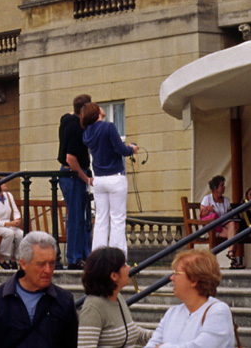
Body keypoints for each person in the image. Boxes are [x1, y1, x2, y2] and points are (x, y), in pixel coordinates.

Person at [0, 231, 78, 348]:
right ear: (23, 264)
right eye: (41, 264)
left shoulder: (64, 300)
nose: (48, 270)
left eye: (51, 263)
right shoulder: (1, 297)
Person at [145, 250, 235, 348]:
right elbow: (151, 344)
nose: (172, 278)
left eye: (177, 273)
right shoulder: (172, 313)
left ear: (194, 280)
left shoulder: (218, 311)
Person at [81, 102, 138, 253]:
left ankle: (97, 255)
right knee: (117, 220)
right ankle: (117, 257)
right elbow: (121, 150)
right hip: (115, 178)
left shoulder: (87, 133)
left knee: (101, 219)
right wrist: (132, 149)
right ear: (96, 112)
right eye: (99, 106)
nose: (101, 108)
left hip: (99, 179)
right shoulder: (109, 127)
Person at [77, 246, 151, 348]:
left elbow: (132, 333)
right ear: (114, 276)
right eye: (124, 265)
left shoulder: (117, 297)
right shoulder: (93, 307)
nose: (128, 267)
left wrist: (162, 336)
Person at [58, 94, 94, 269]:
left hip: (69, 175)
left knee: (81, 216)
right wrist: (85, 177)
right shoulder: (77, 128)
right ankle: (74, 257)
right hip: (73, 176)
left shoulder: (66, 120)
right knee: (76, 218)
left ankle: (83, 254)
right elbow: (71, 159)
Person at [199, 175, 242, 269]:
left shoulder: (226, 200)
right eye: (222, 185)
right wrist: (208, 210)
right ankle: (233, 258)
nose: (224, 187)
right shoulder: (207, 199)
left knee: (233, 226)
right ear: (215, 188)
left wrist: (234, 214)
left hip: (223, 226)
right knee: (234, 233)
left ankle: (231, 254)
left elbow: (229, 213)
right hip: (212, 228)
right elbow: (202, 215)